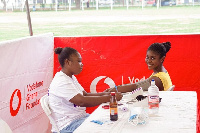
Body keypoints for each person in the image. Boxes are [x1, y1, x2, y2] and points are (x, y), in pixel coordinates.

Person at [48, 47, 123, 133]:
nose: (82, 64)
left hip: (80, 118)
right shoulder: (61, 81)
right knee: (107, 128)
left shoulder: (70, 77)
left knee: (111, 123)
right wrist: (110, 98)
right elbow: (82, 101)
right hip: (68, 126)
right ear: (67, 62)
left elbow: (85, 95)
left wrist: (105, 94)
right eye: (79, 61)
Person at [105, 42, 173, 92]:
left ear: (162, 59)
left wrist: (111, 90)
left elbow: (134, 87)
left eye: (153, 58)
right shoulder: (163, 72)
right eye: (147, 57)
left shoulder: (157, 79)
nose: (148, 61)